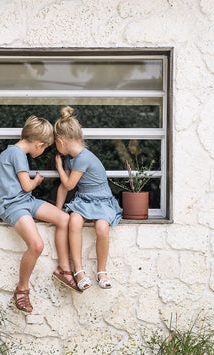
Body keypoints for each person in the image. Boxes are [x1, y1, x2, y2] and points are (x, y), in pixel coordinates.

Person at [0, 115, 80, 313]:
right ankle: (22, 290)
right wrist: (37, 180)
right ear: (38, 144)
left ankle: (62, 269)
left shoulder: (8, 152)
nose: (42, 152)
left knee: (64, 218)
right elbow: (26, 186)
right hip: (13, 206)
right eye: (44, 148)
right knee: (36, 245)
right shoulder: (17, 155)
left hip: (26, 202)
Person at [54, 106, 122, 290]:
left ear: (60, 141)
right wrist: (57, 210)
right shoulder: (71, 158)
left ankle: (102, 271)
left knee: (101, 228)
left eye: (55, 143)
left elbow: (68, 184)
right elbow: (63, 186)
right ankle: (79, 271)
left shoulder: (83, 158)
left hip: (101, 200)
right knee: (74, 222)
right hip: (84, 199)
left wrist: (58, 166)